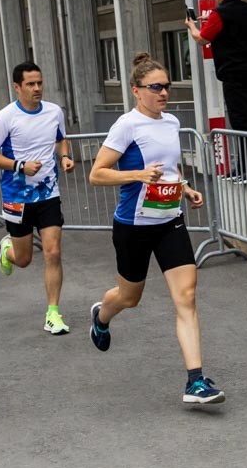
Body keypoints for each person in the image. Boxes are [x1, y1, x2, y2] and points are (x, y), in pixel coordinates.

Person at [86, 52, 222, 404]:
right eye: (155, 87)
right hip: (133, 225)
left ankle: (195, 381)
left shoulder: (172, 122)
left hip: (170, 221)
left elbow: (170, 168)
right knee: (129, 298)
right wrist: (137, 174)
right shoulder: (127, 126)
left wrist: (185, 187)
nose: (163, 93)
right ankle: (102, 315)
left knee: (186, 297)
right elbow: (97, 173)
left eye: (166, 86)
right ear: (136, 90)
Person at [0, 63, 74, 334]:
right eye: (30, 84)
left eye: (39, 83)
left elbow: (61, 139)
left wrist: (65, 156)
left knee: (53, 252)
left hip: (48, 192)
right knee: (23, 259)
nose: (37, 88)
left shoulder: (54, 111)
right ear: (17, 87)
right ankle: (7, 250)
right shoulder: (5, 117)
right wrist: (19, 166)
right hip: (17, 196)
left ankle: (53, 313)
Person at [185, 0, 247, 179]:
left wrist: (191, 26)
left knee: (239, 121)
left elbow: (202, 38)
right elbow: (232, 23)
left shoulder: (219, 15)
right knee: (244, 118)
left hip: (233, 74)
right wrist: (211, 17)